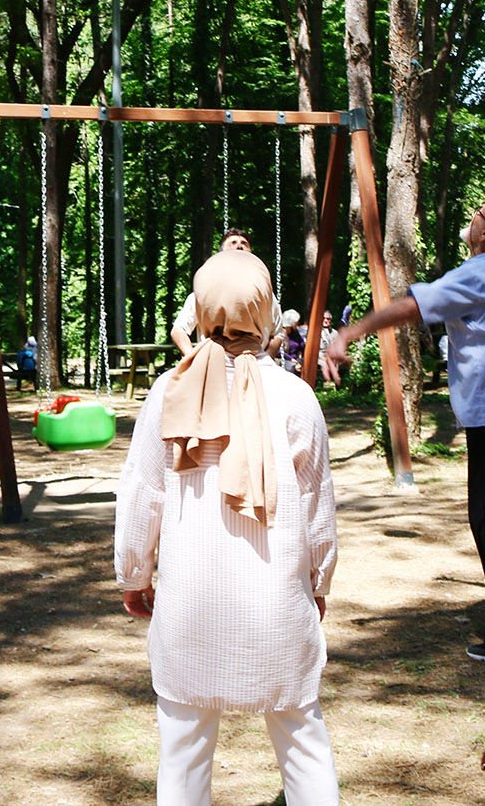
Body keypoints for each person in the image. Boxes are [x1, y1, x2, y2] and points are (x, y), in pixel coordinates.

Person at [116, 250, 340, 805]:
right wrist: (320, 584)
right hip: (277, 602)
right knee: (303, 742)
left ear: (201, 308)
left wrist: (134, 574)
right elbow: (318, 509)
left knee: (183, 752)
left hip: (189, 602)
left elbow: (142, 494)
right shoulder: (297, 396)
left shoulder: (168, 390)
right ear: (265, 311)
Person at [324, 198, 485, 663]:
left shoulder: (480, 273)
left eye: (476, 215)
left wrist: (348, 334)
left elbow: (413, 307)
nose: (471, 220)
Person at [168, 229, 283, 358]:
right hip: (215, 364)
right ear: (222, 253)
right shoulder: (204, 293)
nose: (239, 246)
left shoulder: (266, 295)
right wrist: (193, 359)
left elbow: (277, 334)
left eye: (244, 243)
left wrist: (265, 360)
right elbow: (178, 330)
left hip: (257, 364)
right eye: (232, 243)